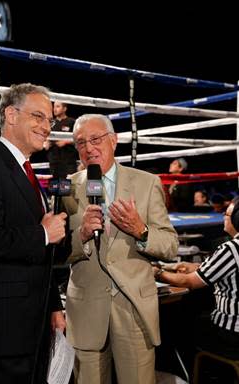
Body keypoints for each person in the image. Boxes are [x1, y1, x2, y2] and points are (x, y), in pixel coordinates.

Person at [0, 83, 68, 384]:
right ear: (11, 115)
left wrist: (54, 306)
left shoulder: (27, 172)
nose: (47, 126)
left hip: (33, 327)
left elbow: (40, 255)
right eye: (38, 116)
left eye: (49, 119)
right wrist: (43, 234)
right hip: (3, 333)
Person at [62, 114, 178, 384]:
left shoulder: (147, 183)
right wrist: (81, 235)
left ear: (114, 141)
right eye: (80, 142)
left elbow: (171, 246)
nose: (88, 148)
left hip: (134, 310)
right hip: (86, 311)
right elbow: (56, 252)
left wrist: (141, 231)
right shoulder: (68, 187)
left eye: (95, 139)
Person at [153, 196, 239, 360]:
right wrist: (184, 267)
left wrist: (158, 273)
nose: (223, 217)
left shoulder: (231, 249)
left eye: (226, 214)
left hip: (231, 334)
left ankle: (187, 371)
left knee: (177, 326)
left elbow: (190, 282)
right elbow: (213, 269)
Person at [45, 101, 77, 177]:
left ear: (64, 109)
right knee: (55, 187)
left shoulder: (72, 122)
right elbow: (45, 136)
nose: (54, 109)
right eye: (54, 107)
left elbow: (79, 139)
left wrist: (66, 141)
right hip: (54, 161)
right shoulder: (50, 122)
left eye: (58, 106)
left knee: (68, 187)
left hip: (68, 162)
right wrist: (46, 142)